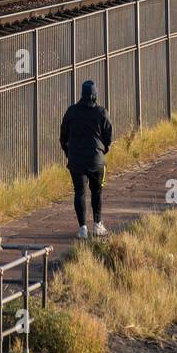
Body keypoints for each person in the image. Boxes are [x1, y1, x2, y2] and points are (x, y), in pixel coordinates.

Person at [60, 79, 113, 239]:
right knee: (97, 191)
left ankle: (82, 228)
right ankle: (97, 225)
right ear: (95, 95)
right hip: (96, 160)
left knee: (79, 193)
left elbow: (63, 136)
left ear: (81, 95)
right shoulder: (101, 112)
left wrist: (69, 152)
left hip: (76, 160)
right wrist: (103, 150)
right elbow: (108, 136)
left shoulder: (71, 112)